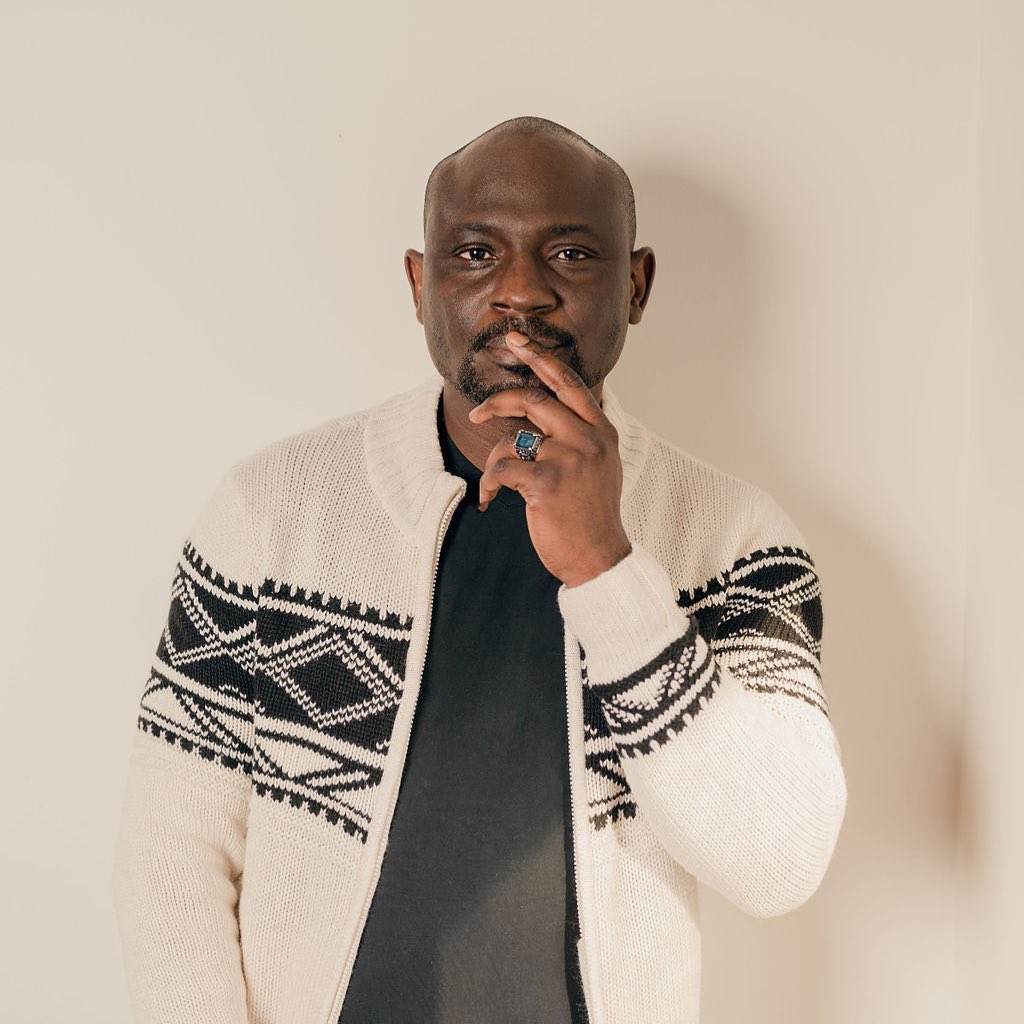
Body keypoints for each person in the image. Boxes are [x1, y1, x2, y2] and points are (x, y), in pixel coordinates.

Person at [112, 115, 847, 1024]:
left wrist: (609, 571)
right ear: (421, 286)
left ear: (637, 283)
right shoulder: (274, 511)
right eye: (473, 252)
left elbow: (780, 862)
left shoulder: (732, 539)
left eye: (572, 253)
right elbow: (171, 852)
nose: (520, 294)